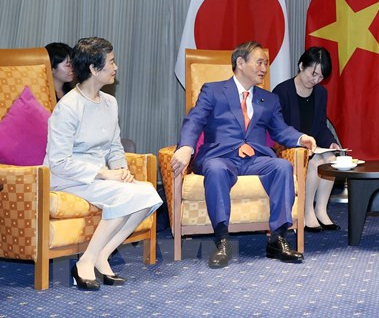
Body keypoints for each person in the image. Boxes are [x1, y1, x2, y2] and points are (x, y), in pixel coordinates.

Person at [170, 41, 317, 268]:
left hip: (255, 159)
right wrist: (186, 147)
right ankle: (222, 240)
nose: (264, 68)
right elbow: (195, 120)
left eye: (266, 63)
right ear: (240, 62)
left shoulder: (269, 99)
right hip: (220, 157)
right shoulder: (213, 90)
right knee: (216, 169)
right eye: (259, 62)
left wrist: (300, 138)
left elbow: (280, 130)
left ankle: (278, 239)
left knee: (282, 167)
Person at [45, 37, 162, 290]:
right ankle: (85, 262)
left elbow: (114, 146)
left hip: (100, 176)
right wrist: (104, 174)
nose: (116, 67)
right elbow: (59, 161)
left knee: (149, 194)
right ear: (93, 69)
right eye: (111, 62)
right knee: (123, 198)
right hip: (69, 177)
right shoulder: (68, 107)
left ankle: (102, 254)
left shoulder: (110, 102)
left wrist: (122, 171)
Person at [273, 47, 340, 233]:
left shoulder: (321, 93)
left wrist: (331, 142)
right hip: (288, 147)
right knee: (316, 160)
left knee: (331, 158)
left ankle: (321, 209)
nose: (316, 80)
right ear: (301, 65)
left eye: (321, 77)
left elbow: (320, 126)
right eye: (313, 74)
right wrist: (301, 141)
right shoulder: (282, 91)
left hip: (312, 147)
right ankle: (306, 209)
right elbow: (278, 128)